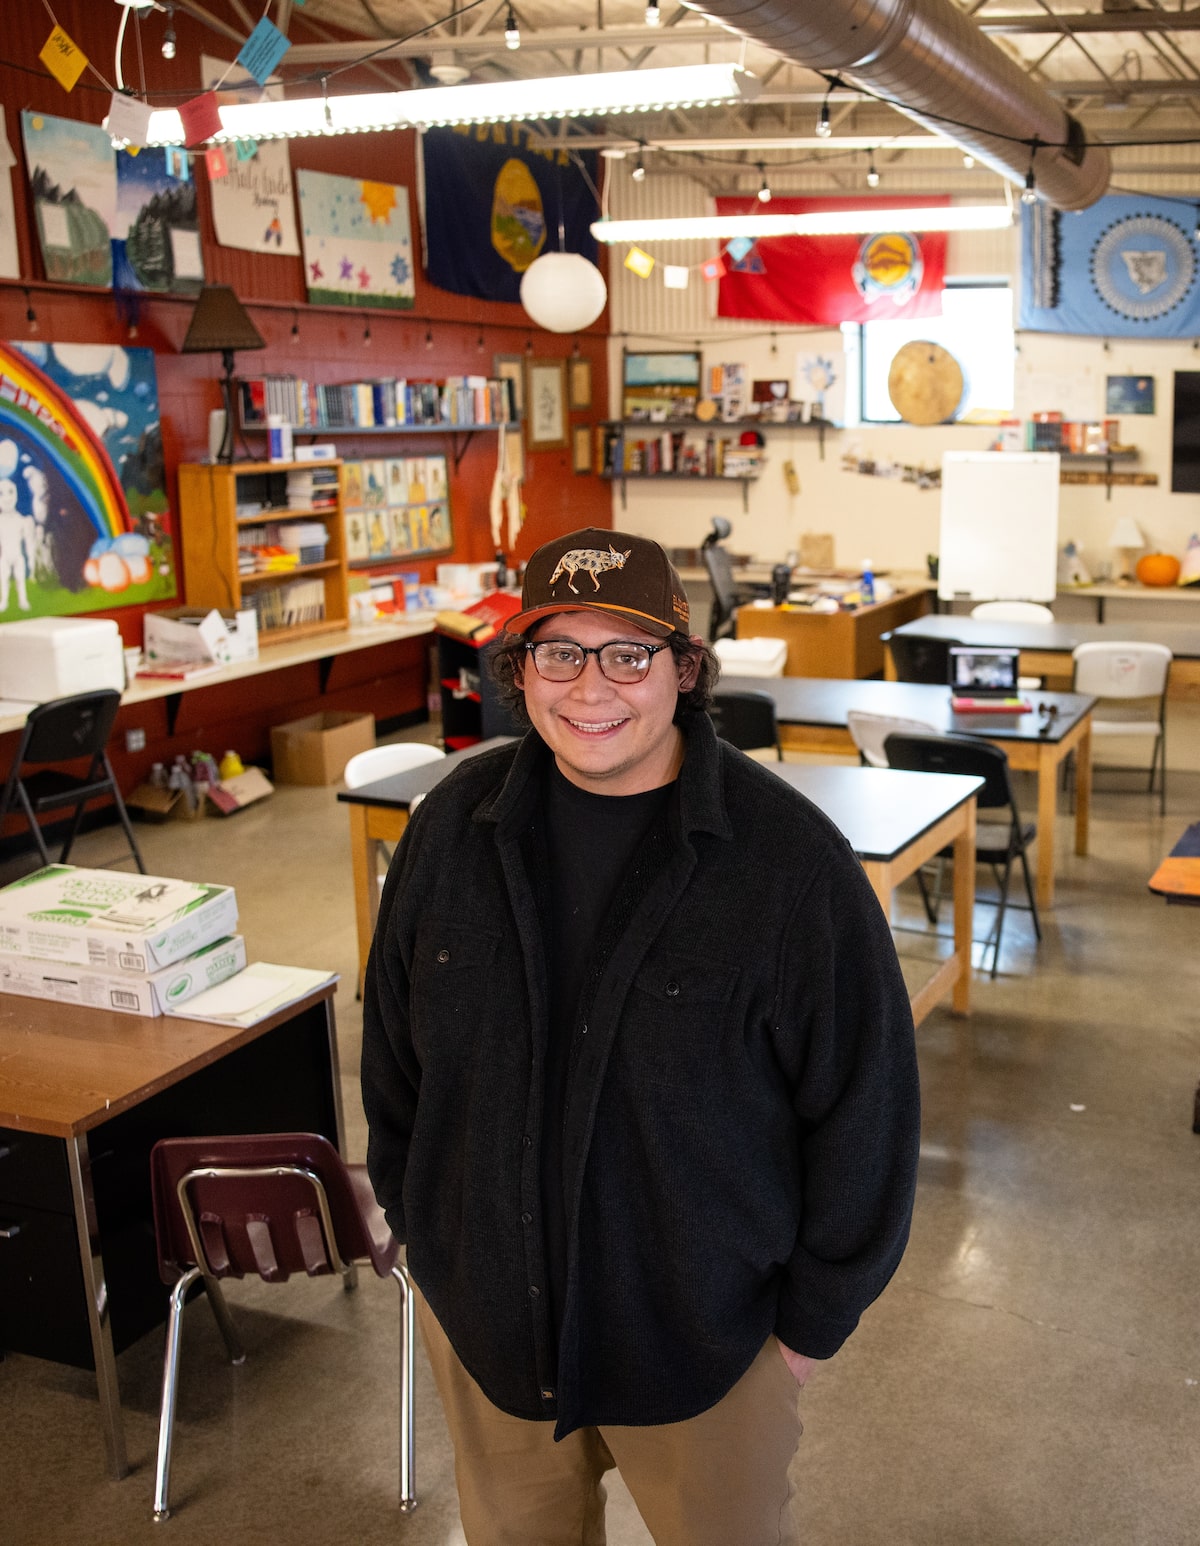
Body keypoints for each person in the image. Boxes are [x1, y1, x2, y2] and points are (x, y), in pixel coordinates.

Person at [361, 526, 920, 1546]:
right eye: (559, 653)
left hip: (706, 1349)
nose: (591, 688)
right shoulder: (450, 830)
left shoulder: (791, 868)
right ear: (519, 670)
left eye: (628, 654)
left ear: (684, 669)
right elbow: (395, 1058)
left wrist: (807, 1330)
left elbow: (866, 1113)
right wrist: (429, 1235)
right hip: (491, 1330)